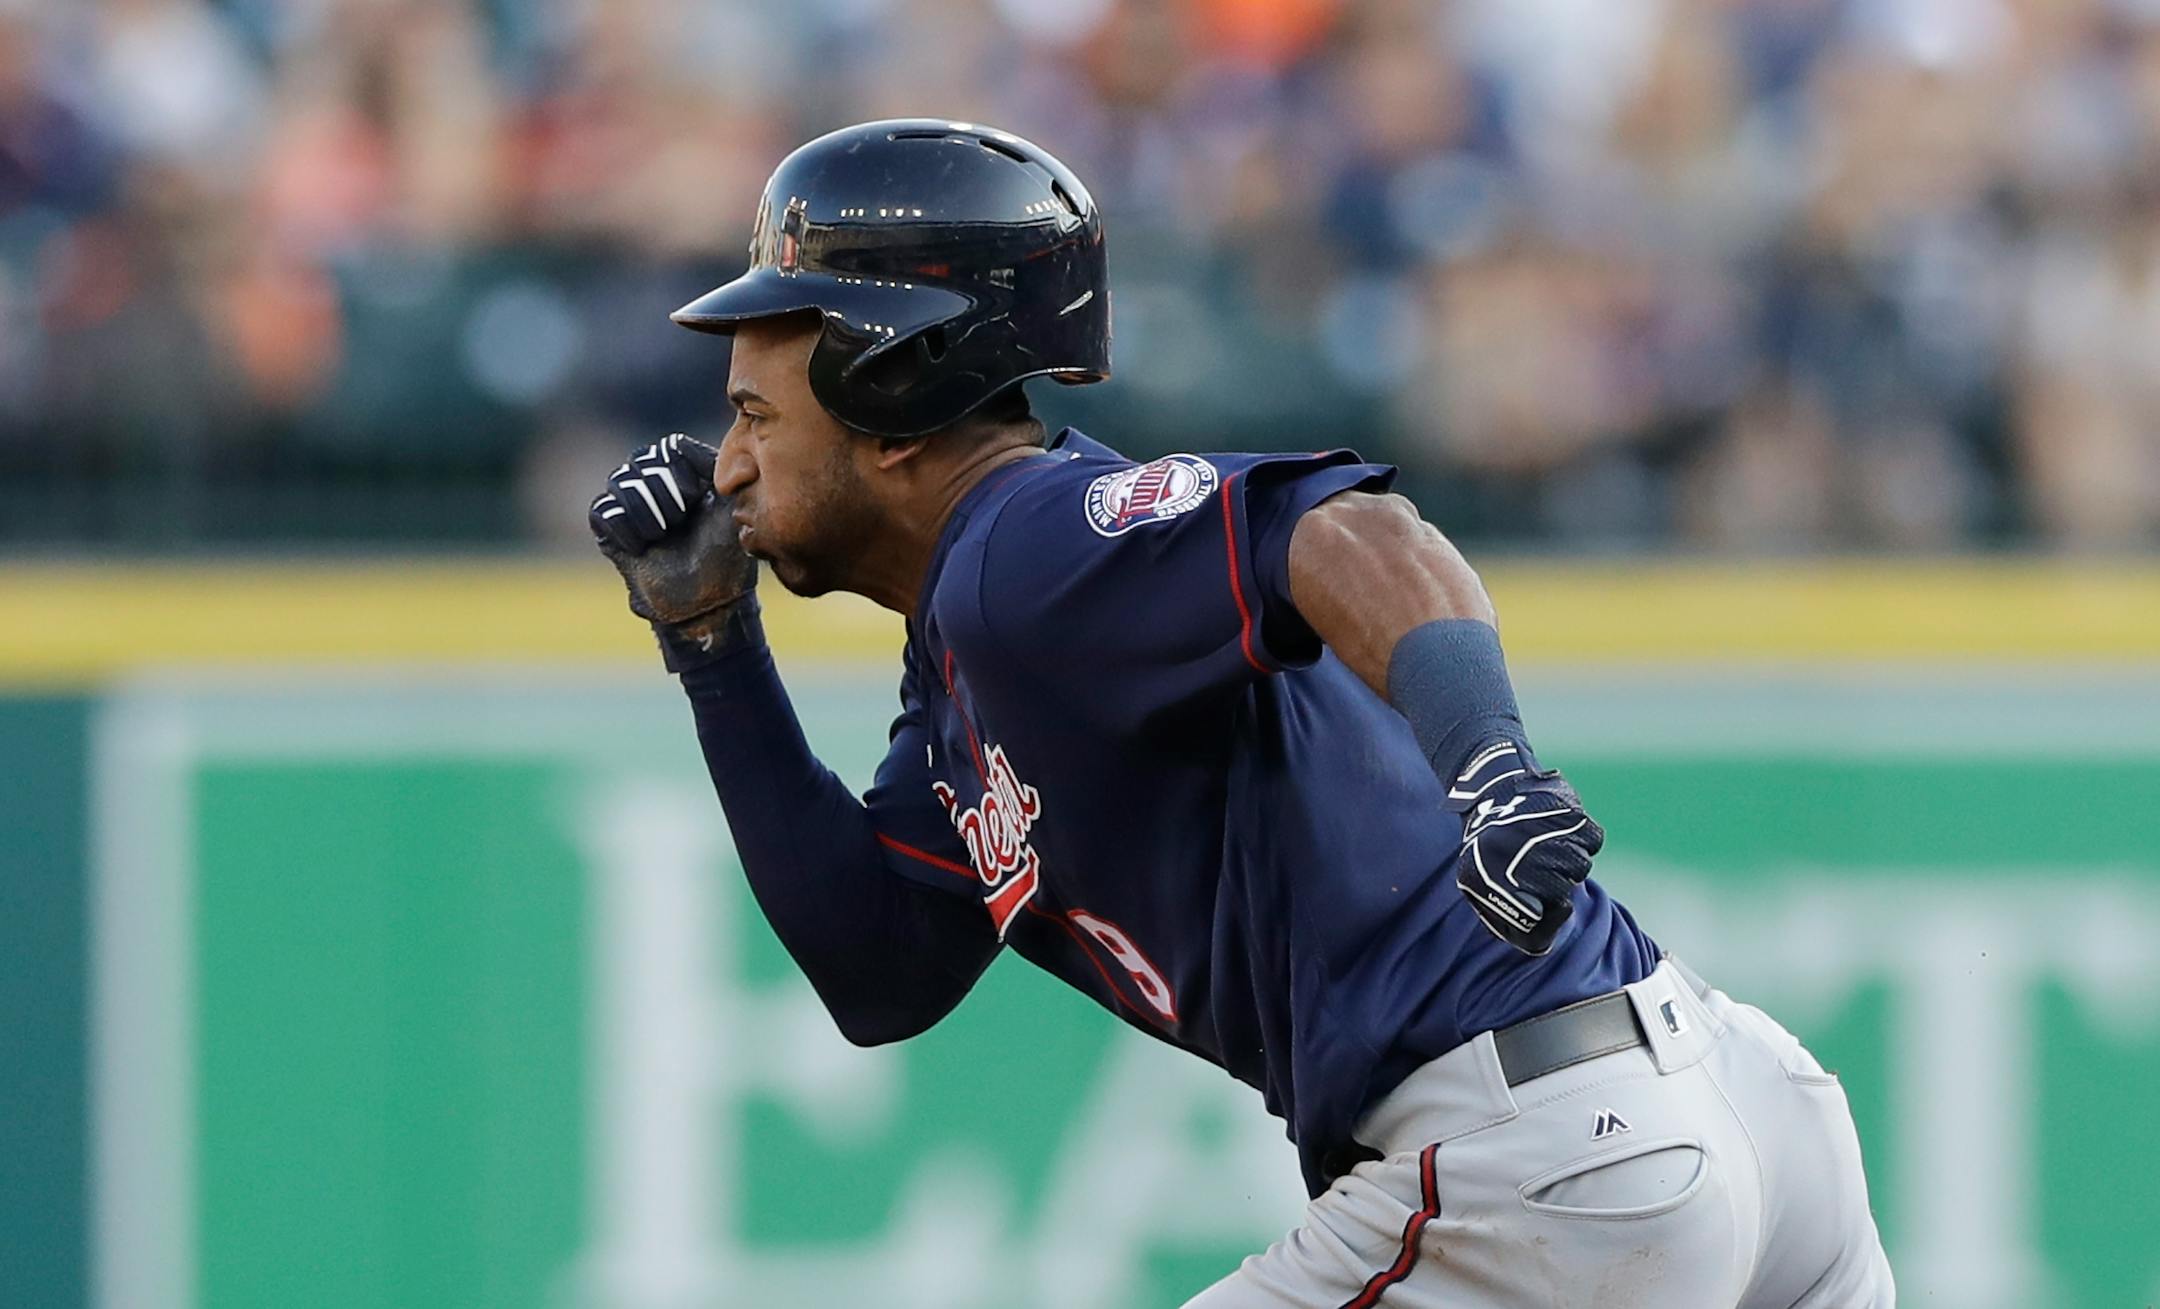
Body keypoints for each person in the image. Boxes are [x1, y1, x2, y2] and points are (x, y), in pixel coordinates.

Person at [588, 119, 1894, 1308]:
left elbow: (1350, 531)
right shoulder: (971, 655)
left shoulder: (1027, 553)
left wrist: (1489, 762)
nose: (734, 460)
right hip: (1717, 1107)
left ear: (892, 397)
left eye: (758, 411)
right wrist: (711, 643)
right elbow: (877, 964)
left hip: (1543, 1156)